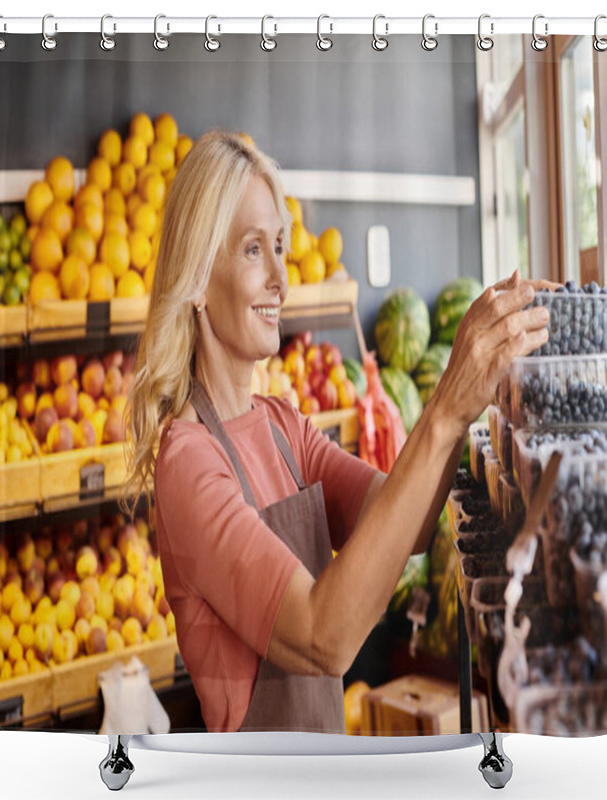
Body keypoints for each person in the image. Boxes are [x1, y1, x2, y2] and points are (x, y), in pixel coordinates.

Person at [123, 131, 551, 734]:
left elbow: (411, 523)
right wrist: (448, 406)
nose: (281, 277)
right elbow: (325, 637)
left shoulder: (282, 426)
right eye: (253, 250)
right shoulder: (188, 463)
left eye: (280, 246)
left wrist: (470, 390)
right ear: (196, 279)